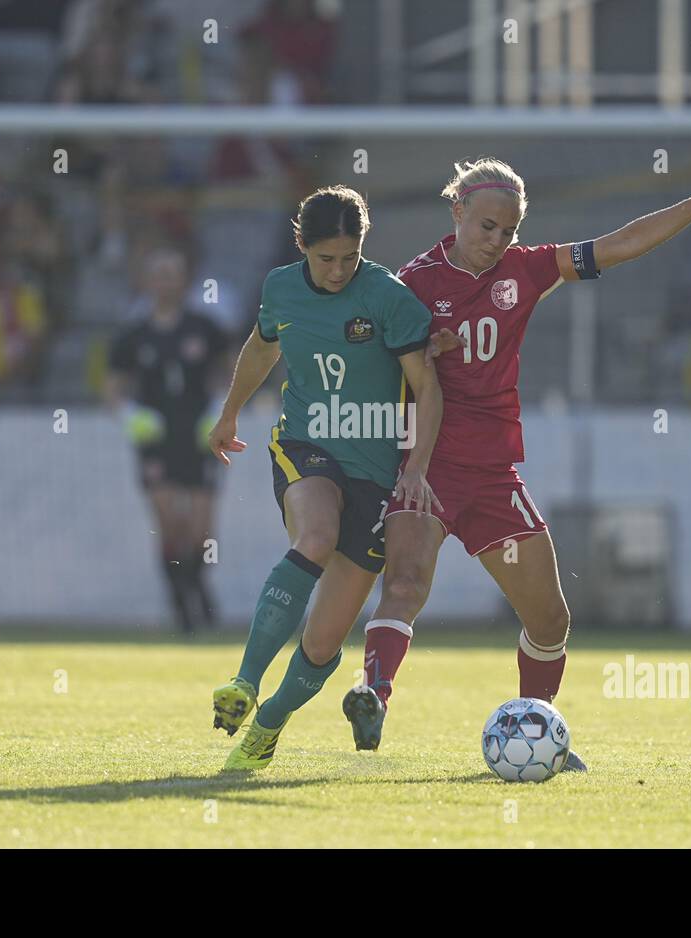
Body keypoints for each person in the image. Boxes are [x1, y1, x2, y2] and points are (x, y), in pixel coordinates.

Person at [343, 157, 691, 763]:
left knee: (549, 621)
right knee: (406, 584)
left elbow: (618, 246)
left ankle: (537, 734)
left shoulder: (527, 269)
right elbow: (367, 371)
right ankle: (374, 694)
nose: (497, 241)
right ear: (457, 211)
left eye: (508, 230)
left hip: (492, 476)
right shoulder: (411, 284)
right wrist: (410, 357)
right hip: (425, 468)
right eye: (487, 225)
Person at [205, 185, 444, 771]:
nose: (338, 271)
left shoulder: (391, 299)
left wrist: (415, 468)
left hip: (375, 472)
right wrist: (231, 411)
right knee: (314, 536)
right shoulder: (280, 288)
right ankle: (244, 681)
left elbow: (428, 388)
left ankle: (268, 723)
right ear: (301, 247)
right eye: (325, 258)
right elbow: (262, 351)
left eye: (350, 257)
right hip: (305, 445)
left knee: (322, 642)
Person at [105, 246, 229, 634]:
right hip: (156, 438)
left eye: (172, 273)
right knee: (168, 523)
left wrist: (220, 408)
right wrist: (128, 414)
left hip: (199, 436)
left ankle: (199, 587)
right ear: (146, 282)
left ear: (185, 280)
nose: (165, 282)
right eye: (158, 274)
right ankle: (183, 605)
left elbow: (231, 370)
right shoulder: (133, 335)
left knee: (201, 529)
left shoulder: (205, 326)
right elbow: (113, 385)